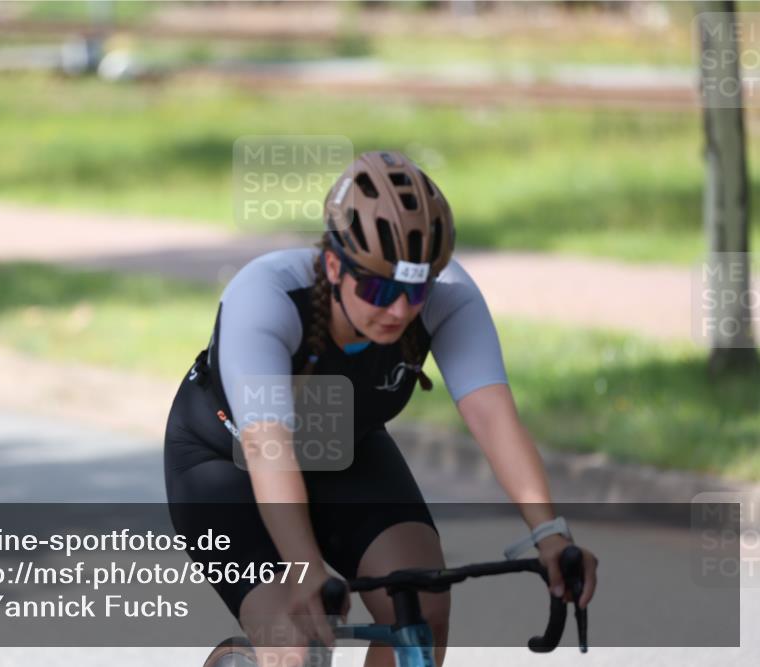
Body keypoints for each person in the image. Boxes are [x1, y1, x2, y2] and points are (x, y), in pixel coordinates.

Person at [164, 151, 599, 667]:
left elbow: (493, 417)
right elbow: (266, 443)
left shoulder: (448, 295)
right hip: (226, 465)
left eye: (415, 290)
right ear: (333, 265)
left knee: (422, 611)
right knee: (294, 643)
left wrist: (550, 533)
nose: (399, 309)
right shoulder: (267, 298)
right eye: (378, 288)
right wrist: (306, 568)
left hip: (346, 451)